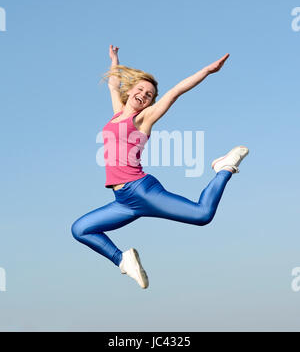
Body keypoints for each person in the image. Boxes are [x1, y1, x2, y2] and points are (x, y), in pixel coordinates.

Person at [71, 45, 249, 289]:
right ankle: (123, 260)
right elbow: (113, 84)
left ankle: (224, 169)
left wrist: (207, 70)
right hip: (123, 201)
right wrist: (114, 59)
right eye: (140, 89)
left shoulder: (143, 119)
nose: (144, 95)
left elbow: (175, 92)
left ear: (149, 103)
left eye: (149, 94)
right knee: (80, 229)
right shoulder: (117, 114)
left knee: (202, 214)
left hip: (141, 190)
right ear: (131, 90)